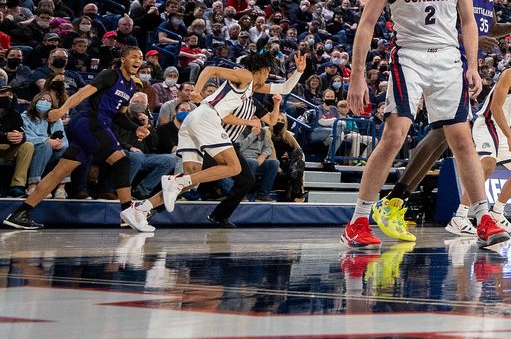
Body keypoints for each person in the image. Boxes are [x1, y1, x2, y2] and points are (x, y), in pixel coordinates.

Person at [339, 0, 508, 249]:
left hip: (448, 59)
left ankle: (483, 217)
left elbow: (468, 23)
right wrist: (357, 76)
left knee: (462, 140)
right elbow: (367, 24)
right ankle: (358, 220)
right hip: (410, 57)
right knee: (395, 133)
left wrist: (472, 65)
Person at [371, 0, 511, 241]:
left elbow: (491, 27)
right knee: (436, 134)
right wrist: (475, 40)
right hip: (442, 62)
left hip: (461, 68)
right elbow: (443, 23)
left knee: (441, 136)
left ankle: (396, 201)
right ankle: (395, 201)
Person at [133, 51, 305, 227]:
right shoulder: (245, 75)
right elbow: (211, 69)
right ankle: (177, 183)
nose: (269, 77)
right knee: (231, 168)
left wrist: (299, 72)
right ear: (261, 69)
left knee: (190, 180)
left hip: (198, 124)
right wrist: (197, 90)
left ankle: (140, 209)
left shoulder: (251, 90)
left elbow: (284, 89)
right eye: (268, 72)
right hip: (210, 125)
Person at [3, 46, 153, 232]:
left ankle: (20, 214)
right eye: (133, 57)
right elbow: (82, 93)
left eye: (140, 57)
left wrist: (136, 127)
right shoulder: (110, 75)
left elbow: (119, 116)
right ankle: (127, 212)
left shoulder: (131, 86)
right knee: (122, 162)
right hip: (88, 122)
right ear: (123, 59)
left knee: (58, 173)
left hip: (97, 125)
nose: (137, 60)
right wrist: (61, 110)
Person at [447, 39, 511, 236]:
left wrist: (508, 134)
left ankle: (497, 212)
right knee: (487, 164)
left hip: (502, 128)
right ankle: (459, 217)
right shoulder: (510, 73)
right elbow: (496, 108)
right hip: (488, 124)